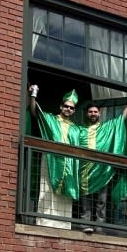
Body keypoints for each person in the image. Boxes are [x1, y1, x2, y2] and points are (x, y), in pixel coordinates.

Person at [78, 88, 127, 233]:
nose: (93, 114)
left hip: (102, 170)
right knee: (85, 200)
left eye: (95, 111)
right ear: (87, 114)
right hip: (85, 170)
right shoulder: (80, 130)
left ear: (99, 113)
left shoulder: (106, 127)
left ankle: (99, 226)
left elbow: (121, 119)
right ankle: (85, 223)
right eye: (90, 111)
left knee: (101, 200)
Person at [28, 85, 80, 228]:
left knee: (66, 193)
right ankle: (44, 221)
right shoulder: (50, 119)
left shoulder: (76, 129)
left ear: (74, 111)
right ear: (61, 107)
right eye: (66, 106)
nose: (68, 109)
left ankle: (63, 225)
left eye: (72, 108)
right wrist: (33, 95)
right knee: (47, 189)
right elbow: (34, 112)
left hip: (68, 164)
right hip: (50, 160)